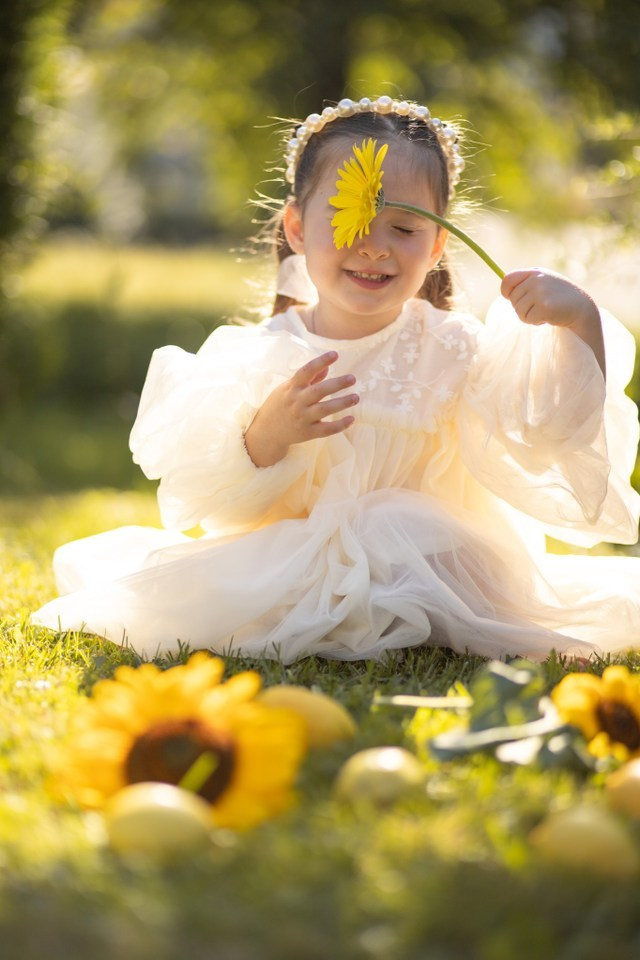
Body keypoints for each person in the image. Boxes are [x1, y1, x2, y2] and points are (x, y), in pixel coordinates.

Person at [33, 95, 640, 663]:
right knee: (271, 566)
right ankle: (347, 609)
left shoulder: (455, 348)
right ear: (297, 229)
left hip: (438, 565)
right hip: (301, 561)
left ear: (436, 247)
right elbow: (214, 506)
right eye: (350, 220)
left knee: (394, 523)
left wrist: (577, 321)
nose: (375, 248)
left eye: (404, 229)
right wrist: (267, 435)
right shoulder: (263, 355)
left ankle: (408, 610)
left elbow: (552, 434)